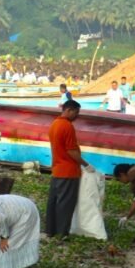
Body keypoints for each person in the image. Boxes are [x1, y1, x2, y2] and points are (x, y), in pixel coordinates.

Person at [46, 100, 94, 238]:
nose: (77, 116)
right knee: (66, 203)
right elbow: (72, 151)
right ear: (69, 110)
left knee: (54, 202)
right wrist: (86, 164)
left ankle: (50, 230)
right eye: (76, 112)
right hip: (68, 170)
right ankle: (62, 232)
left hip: (57, 169)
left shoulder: (54, 124)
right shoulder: (67, 126)